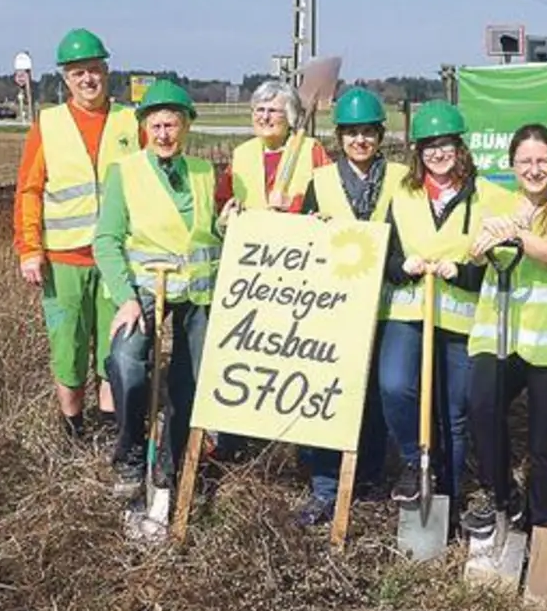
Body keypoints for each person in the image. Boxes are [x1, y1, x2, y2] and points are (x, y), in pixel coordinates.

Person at [459, 124, 547, 537]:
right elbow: (475, 251)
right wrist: (495, 233)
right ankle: (500, 495)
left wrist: (517, 234)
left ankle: (543, 526)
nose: (534, 170)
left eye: (543, 161)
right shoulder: (496, 202)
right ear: (512, 165)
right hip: (500, 334)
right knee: (482, 406)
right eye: (525, 161)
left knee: (545, 442)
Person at [380, 101, 513, 510]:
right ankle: (413, 462)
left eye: (446, 144)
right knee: (394, 385)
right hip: (407, 311)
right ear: (418, 152)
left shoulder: (488, 195)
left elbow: (509, 247)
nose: (437, 153)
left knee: (455, 413)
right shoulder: (402, 193)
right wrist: (402, 266)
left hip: (460, 317)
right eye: (429, 146)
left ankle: (449, 498)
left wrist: (463, 272)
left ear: (460, 147)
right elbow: (384, 252)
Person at [12, 28, 141, 442]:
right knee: (67, 346)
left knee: (113, 347)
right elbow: (29, 190)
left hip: (118, 259)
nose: (88, 79)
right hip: (65, 259)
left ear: (107, 71)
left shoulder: (130, 121)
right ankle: (72, 430)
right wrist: (29, 248)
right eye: (78, 72)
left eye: (94, 69)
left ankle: (108, 431)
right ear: (66, 79)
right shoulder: (48, 124)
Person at [92, 79, 221, 491]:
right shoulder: (125, 173)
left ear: (187, 127)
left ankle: (171, 460)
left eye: (172, 125)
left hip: (197, 294)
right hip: (145, 292)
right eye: (156, 126)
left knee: (191, 378)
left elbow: (209, 234)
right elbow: (106, 240)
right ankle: (131, 452)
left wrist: (226, 222)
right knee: (126, 363)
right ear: (145, 128)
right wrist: (126, 299)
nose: (164, 135)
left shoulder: (204, 172)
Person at [291, 87, 405, 526]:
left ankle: (369, 479)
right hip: (333, 309)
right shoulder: (320, 182)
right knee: (327, 393)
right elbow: (303, 245)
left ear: (380, 135)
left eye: (368, 132)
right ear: (339, 137)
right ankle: (324, 487)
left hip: (384, 305)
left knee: (374, 395)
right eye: (352, 133)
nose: (360, 141)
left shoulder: (400, 179)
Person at [218, 79, 331, 214]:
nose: (265, 117)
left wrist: (294, 204)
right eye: (260, 110)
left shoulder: (311, 150)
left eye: (273, 111)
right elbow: (222, 202)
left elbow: (330, 198)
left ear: (290, 116)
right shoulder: (241, 154)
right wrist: (227, 213)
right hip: (251, 227)